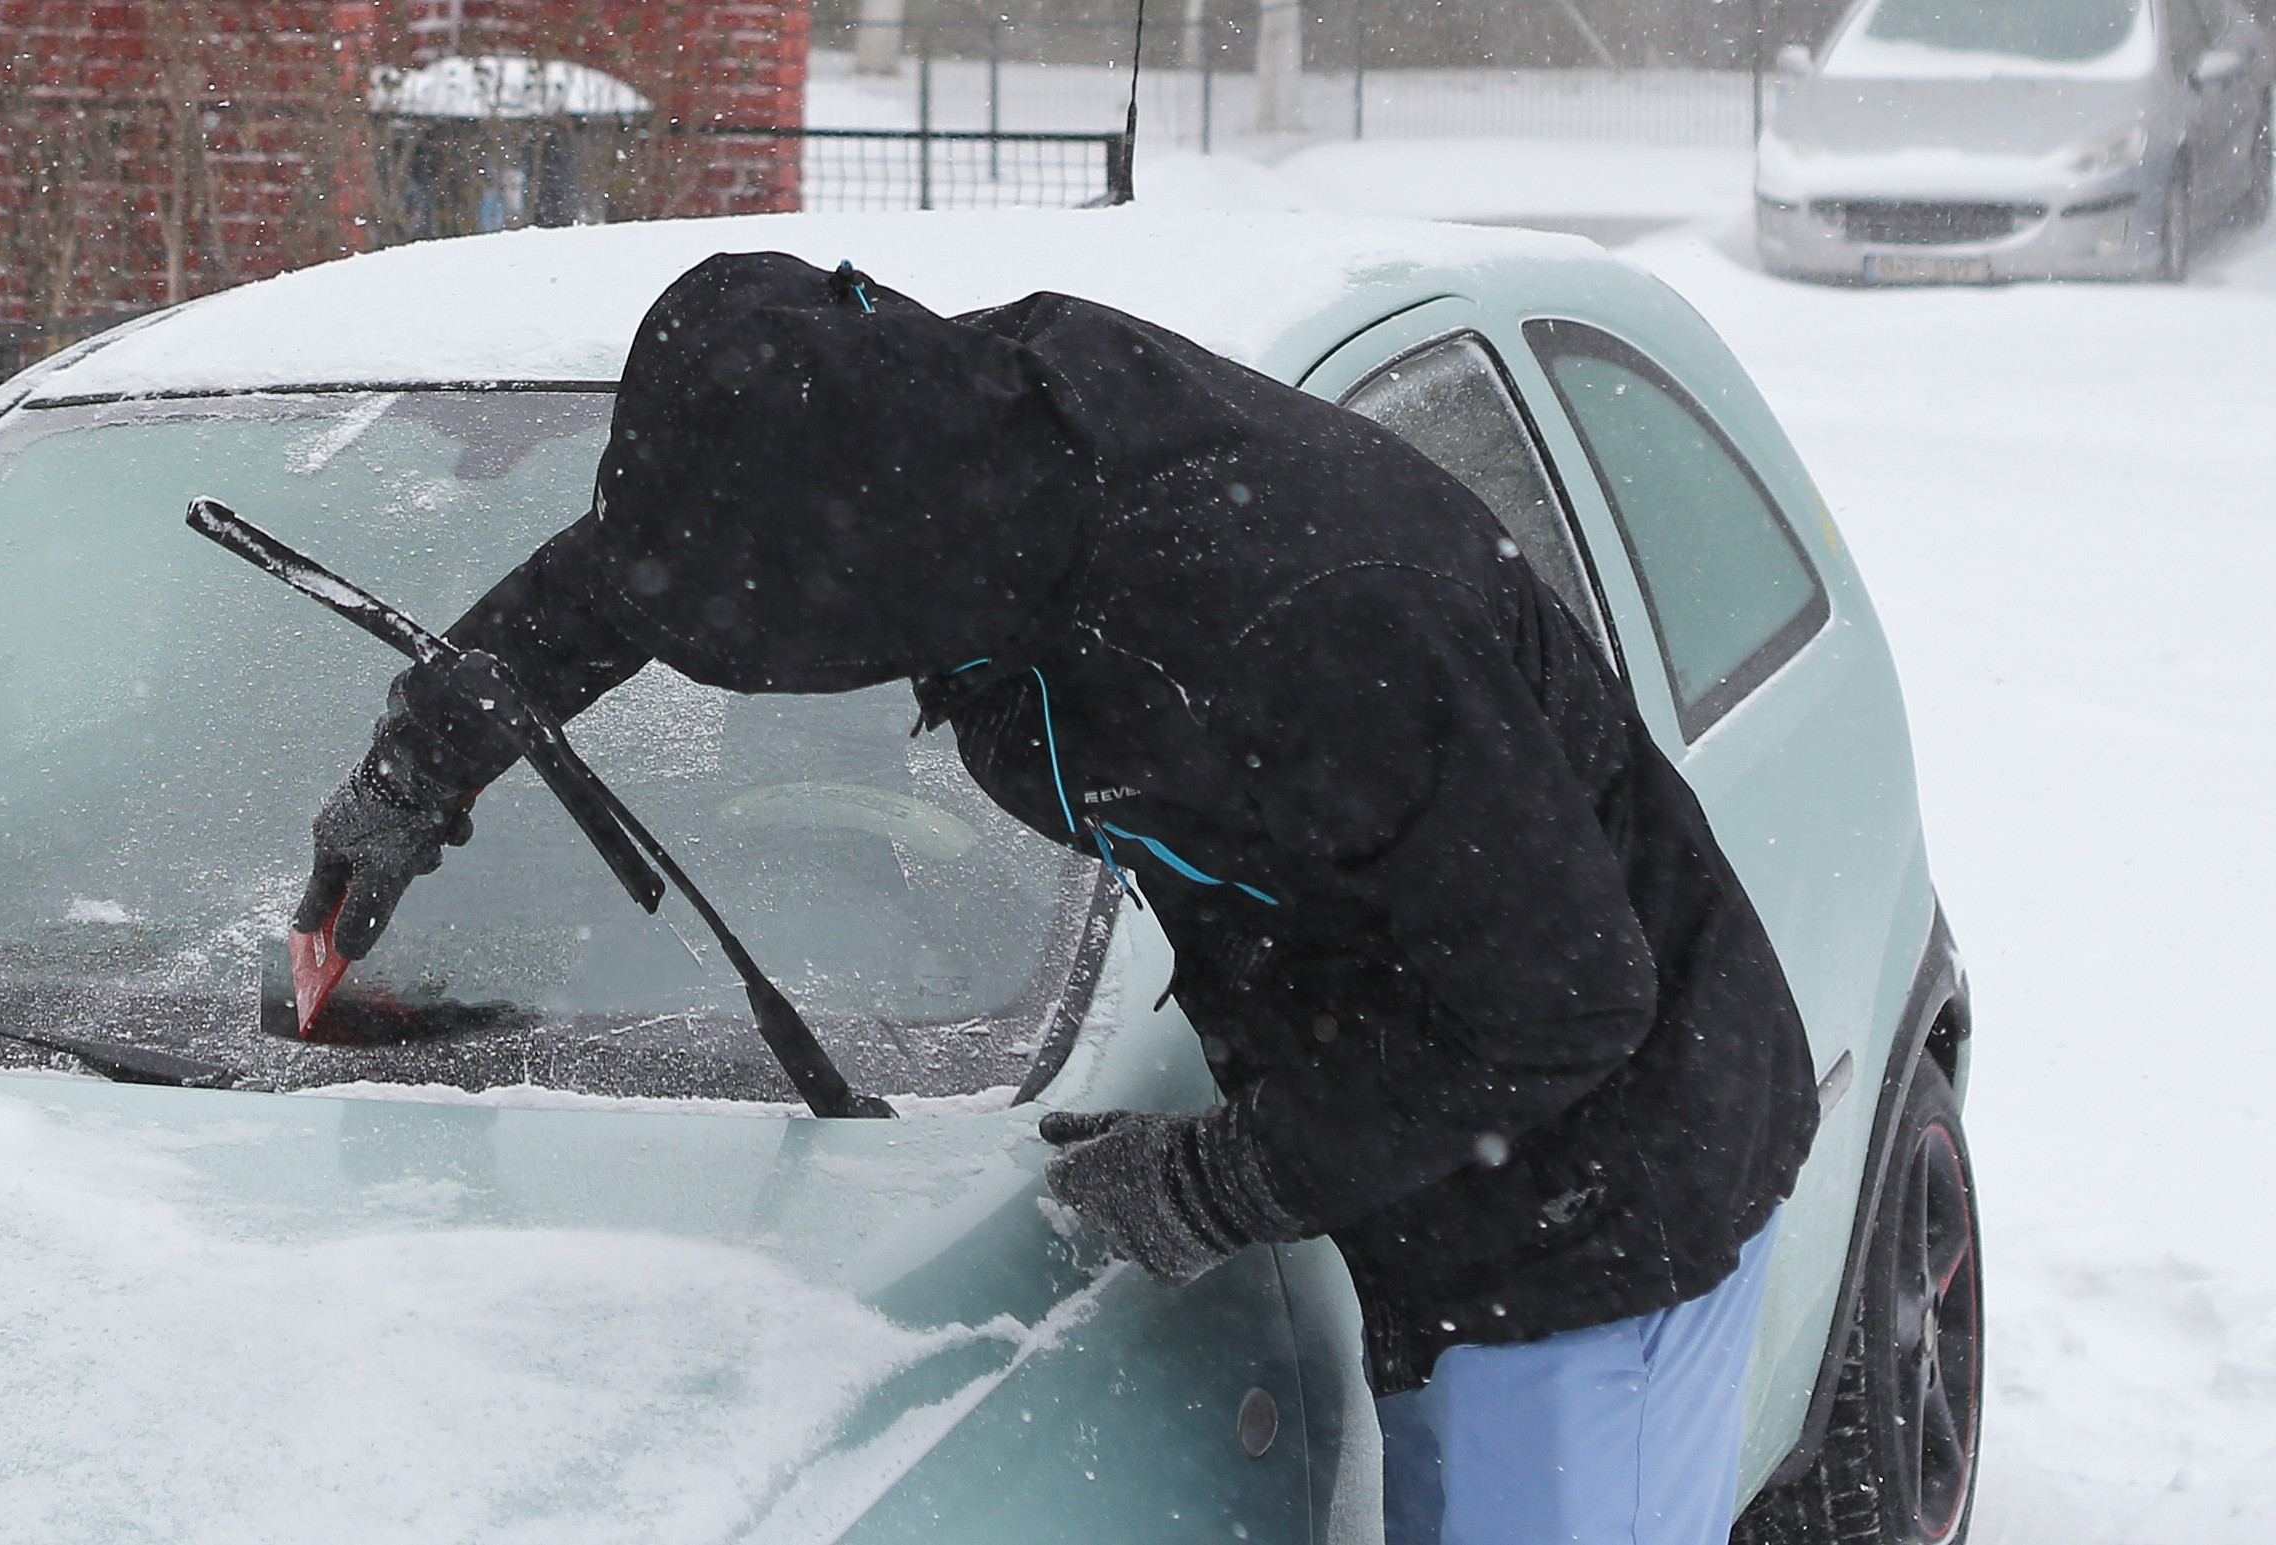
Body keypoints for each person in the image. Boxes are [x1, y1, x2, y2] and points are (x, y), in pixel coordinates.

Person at [295, 252, 1818, 1545]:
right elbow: (649, 560)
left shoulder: (1291, 609)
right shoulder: (924, 458)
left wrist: (1228, 1181)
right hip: (1425, 1140)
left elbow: (1567, 998)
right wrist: (419, 769)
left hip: (1596, 1211)